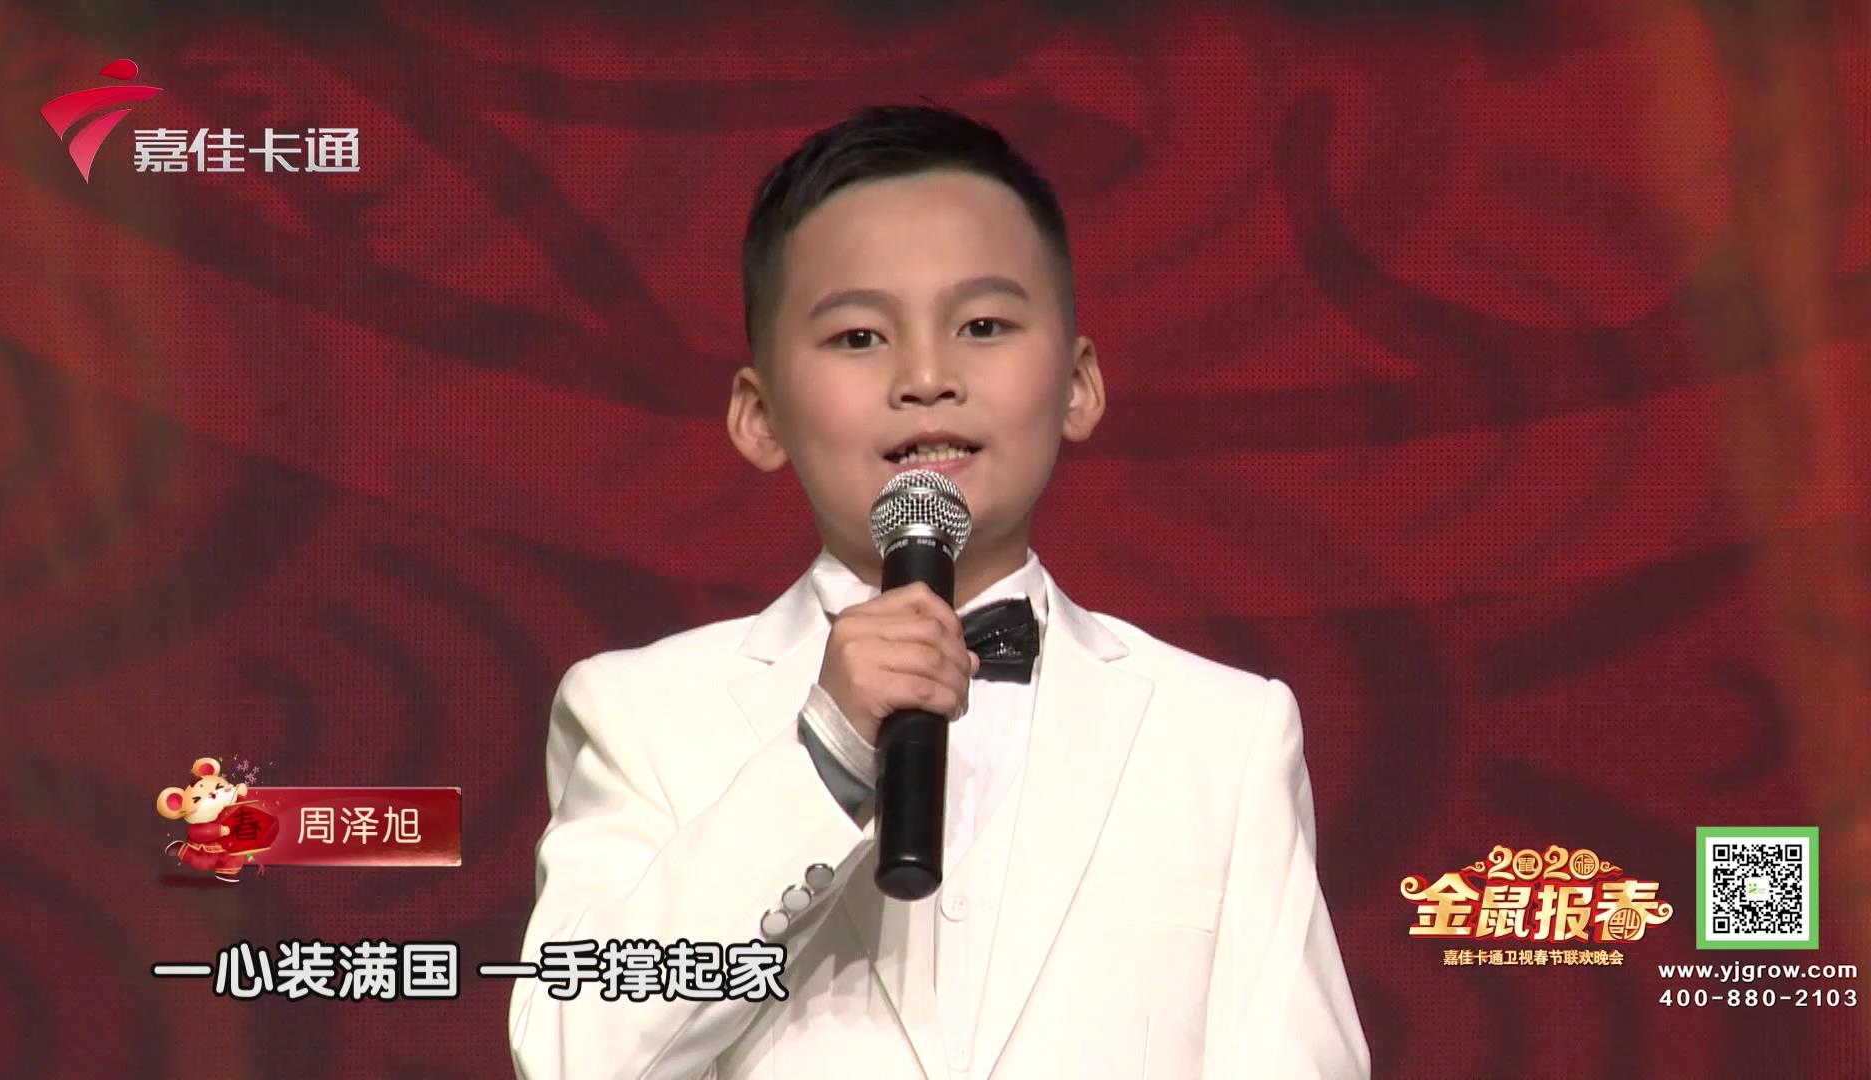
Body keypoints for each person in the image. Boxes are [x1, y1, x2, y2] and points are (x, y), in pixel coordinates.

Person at [509, 103, 1368, 1079]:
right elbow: (572, 1054)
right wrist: (827, 753)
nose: (925, 376)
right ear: (759, 415)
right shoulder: (643, 713)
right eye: (859, 336)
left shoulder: (1224, 734)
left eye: (983, 325)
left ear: (1077, 384)